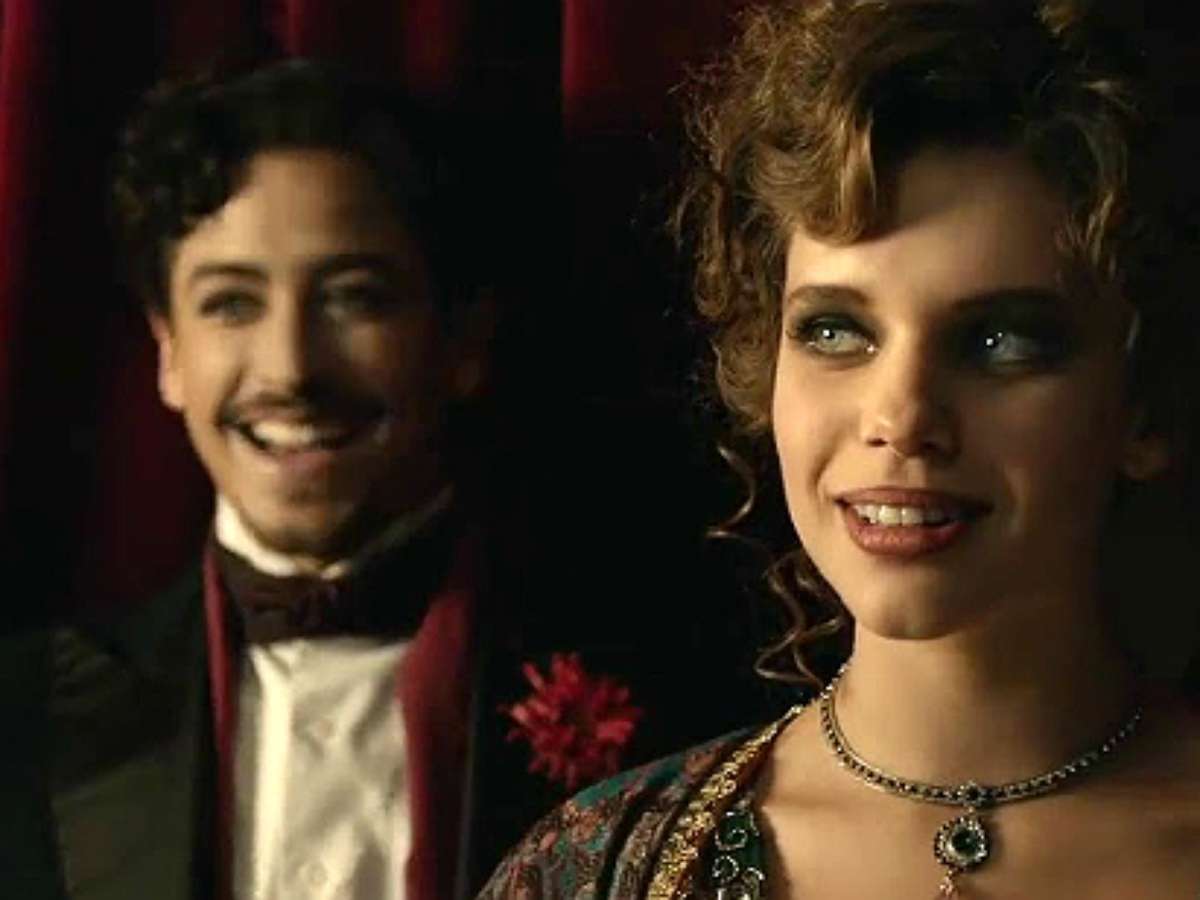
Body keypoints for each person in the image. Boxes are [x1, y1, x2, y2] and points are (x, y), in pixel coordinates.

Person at [478, 0, 1200, 896]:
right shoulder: (597, 873)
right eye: (835, 331)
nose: (900, 415)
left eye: (999, 342)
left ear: (1147, 404)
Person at [0, 59, 702, 900]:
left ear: (463, 341)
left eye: (353, 298)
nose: (290, 369)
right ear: (169, 352)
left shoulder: (678, 687)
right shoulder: (26, 721)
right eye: (231, 303)